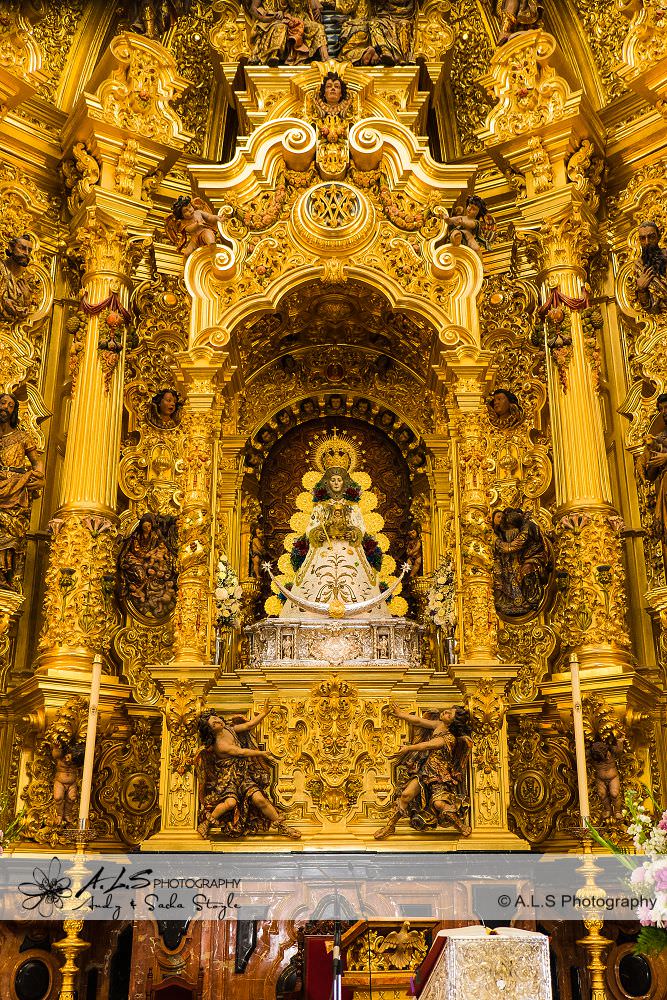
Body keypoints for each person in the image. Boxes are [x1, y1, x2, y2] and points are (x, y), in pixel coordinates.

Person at [196, 706, 300, 839]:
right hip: (228, 778)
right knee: (230, 803)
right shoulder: (220, 745)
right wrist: (261, 753)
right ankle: (207, 822)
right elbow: (241, 752)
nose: (218, 721)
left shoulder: (229, 729)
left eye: (216, 718)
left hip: (243, 773)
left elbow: (249, 725)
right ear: (210, 730)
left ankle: (282, 826)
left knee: (259, 799)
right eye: (214, 723)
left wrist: (263, 713)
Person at [374, 704, 472, 839]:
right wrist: (400, 714)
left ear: (452, 723)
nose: (446, 712)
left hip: (439, 775)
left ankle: (460, 825)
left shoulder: (449, 738)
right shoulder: (439, 725)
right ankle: (390, 826)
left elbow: (427, 745)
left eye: (450, 715)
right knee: (405, 795)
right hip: (425, 770)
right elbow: (419, 721)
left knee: (439, 804)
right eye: (448, 711)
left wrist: (408, 748)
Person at [0, 392, 44, 589]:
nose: (5, 408)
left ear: (14, 411)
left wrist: (39, 478)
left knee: (11, 533)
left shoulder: (22, 437)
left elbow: (37, 462)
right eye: (3, 403)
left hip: (15, 489)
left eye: (10, 405)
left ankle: (4, 576)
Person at [492, 507, 553, 620]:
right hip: (520, 558)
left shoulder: (528, 527)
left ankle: (532, 598)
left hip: (536, 556)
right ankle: (512, 600)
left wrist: (503, 545)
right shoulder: (499, 533)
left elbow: (515, 545)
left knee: (526, 569)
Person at [118, 514, 178, 619]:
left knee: (156, 571)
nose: (147, 529)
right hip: (134, 558)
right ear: (141, 526)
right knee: (141, 576)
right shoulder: (136, 536)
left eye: (149, 526)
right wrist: (147, 555)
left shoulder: (154, 536)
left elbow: (160, 548)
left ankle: (148, 594)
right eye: (145, 526)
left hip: (149, 559)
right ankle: (139, 591)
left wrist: (156, 555)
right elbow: (136, 550)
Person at [641, 394, 667, 550]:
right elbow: (650, 475)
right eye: (661, 409)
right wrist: (651, 448)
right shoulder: (659, 438)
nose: (664, 412)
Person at [0, 234, 36, 322]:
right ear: (11, 248)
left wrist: (27, 298)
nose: (26, 253)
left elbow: (27, 310)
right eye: (22, 248)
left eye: (29, 250)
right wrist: (3, 301)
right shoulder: (1, 269)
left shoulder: (29, 279)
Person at [447, 196, 494, 260]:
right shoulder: (461, 217)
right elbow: (450, 221)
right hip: (459, 233)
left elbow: (470, 225)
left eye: (473, 209)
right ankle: (455, 244)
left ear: (478, 213)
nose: (469, 209)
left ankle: (480, 263)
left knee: (476, 248)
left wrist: (462, 223)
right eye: (469, 206)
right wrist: (446, 218)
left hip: (469, 238)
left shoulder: (475, 222)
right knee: (456, 233)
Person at [635, 221, 667, 315]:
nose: (647, 242)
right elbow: (647, 308)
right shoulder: (639, 266)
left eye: (651, 237)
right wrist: (642, 290)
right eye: (643, 238)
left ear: (658, 237)